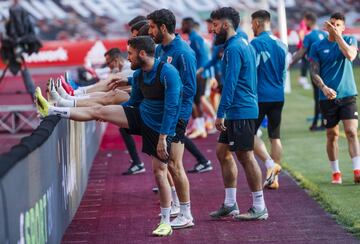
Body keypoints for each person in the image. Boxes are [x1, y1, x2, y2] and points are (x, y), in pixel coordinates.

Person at [35, 36, 182, 236]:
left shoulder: (168, 73)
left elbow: (173, 108)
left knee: (160, 172)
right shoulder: (139, 74)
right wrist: (113, 113)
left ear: (141, 53)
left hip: (162, 128)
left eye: (129, 53)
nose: (127, 58)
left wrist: (163, 137)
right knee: (99, 110)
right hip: (141, 116)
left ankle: (166, 222)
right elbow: (135, 101)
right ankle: (51, 110)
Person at [209, 7, 268, 221]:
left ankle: (260, 206)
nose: (212, 29)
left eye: (215, 25)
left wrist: (220, 113)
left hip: (240, 109)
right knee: (222, 152)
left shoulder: (234, 48)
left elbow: (230, 84)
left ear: (225, 25)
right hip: (240, 108)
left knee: (245, 156)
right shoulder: (241, 40)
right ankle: (230, 203)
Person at [308, 12, 360, 184]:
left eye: (337, 24)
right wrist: (323, 87)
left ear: (343, 27)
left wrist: (338, 37)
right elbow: (314, 72)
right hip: (327, 97)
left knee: (352, 132)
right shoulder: (317, 46)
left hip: (348, 94)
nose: (334, 27)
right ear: (325, 26)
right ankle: (336, 172)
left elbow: (351, 56)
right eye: (331, 24)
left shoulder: (350, 40)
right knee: (332, 135)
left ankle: (357, 170)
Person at [250, 10, 286, 190]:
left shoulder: (256, 43)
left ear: (257, 23)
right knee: (275, 137)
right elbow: (284, 71)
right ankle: (274, 179)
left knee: (249, 134)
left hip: (260, 96)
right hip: (278, 95)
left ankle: (269, 163)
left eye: (252, 24)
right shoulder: (282, 44)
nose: (251, 27)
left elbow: (252, 71)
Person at [289, 12, 328, 131]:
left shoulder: (309, 35)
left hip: (316, 69)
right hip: (326, 69)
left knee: (318, 97)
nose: (304, 23)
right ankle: (324, 121)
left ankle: (319, 123)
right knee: (325, 95)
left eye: (305, 21)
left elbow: (301, 52)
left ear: (308, 21)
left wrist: (290, 64)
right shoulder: (325, 33)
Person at [181, 17, 212, 139]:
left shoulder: (196, 38)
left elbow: (203, 56)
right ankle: (199, 126)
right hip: (196, 74)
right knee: (196, 100)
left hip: (198, 75)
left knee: (195, 100)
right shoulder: (191, 38)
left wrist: (198, 71)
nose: (182, 27)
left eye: (183, 24)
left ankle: (201, 127)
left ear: (189, 25)